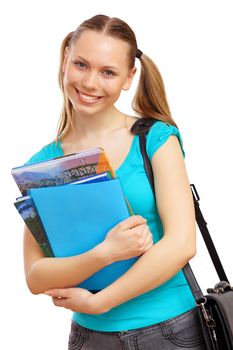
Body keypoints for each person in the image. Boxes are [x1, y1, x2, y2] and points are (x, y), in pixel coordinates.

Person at [23, 14, 207, 350]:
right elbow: (36, 276)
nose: (90, 82)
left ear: (129, 77)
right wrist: (104, 254)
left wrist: (101, 301)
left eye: (108, 71)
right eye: (81, 64)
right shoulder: (42, 167)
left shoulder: (154, 139)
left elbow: (182, 243)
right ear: (65, 60)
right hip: (90, 339)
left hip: (172, 332)